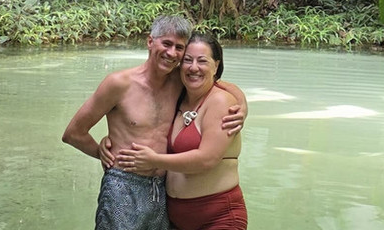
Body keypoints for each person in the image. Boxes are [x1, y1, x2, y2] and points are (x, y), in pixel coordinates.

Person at [62, 16, 246, 230]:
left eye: (179, 47)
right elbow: (73, 133)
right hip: (124, 186)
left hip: (161, 191)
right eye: (166, 44)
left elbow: (218, 83)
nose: (172, 53)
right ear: (150, 41)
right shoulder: (119, 83)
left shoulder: (180, 80)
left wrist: (242, 106)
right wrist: (102, 153)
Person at [116, 32, 247, 230]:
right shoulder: (178, 97)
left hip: (218, 217)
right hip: (175, 220)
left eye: (202, 61)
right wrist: (111, 142)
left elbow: (207, 160)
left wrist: (153, 160)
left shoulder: (221, 101)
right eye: (187, 60)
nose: (194, 67)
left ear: (216, 65)